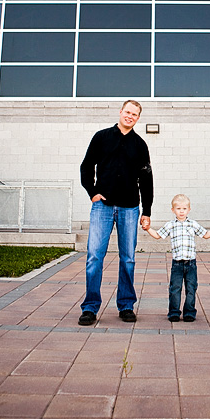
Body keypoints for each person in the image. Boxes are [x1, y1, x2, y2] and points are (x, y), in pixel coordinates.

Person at [78, 99, 153, 326]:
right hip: (102, 206)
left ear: (138, 118)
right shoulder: (101, 137)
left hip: (130, 208)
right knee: (94, 257)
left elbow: (146, 179)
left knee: (128, 259)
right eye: (127, 112)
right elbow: (86, 166)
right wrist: (92, 192)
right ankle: (90, 307)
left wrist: (146, 210)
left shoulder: (140, 145)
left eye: (135, 114)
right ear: (121, 112)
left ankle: (126, 305)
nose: (130, 116)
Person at [143, 193, 210, 322]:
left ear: (189, 209)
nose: (181, 211)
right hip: (177, 264)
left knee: (191, 288)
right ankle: (174, 312)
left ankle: (189, 312)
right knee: (175, 288)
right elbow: (157, 235)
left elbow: (205, 235)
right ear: (173, 210)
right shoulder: (171, 225)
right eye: (178, 209)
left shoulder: (193, 224)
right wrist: (148, 229)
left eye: (184, 208)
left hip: (191, 263)